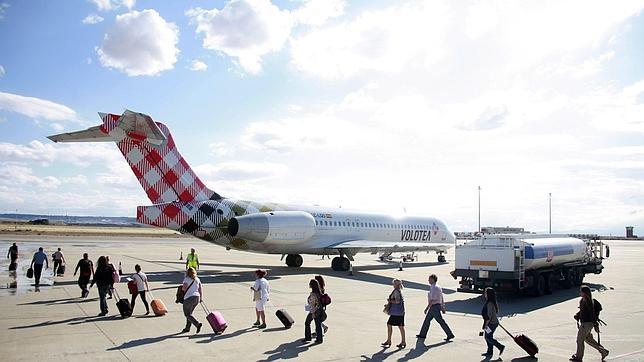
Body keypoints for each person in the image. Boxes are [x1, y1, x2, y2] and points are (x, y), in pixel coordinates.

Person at [570, 286, 609, 361]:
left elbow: (592, 314)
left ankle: (578, 357)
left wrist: (595, 325)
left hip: (586, 324)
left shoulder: (588, 301)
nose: (580, 293)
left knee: (579, 340)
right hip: (586, 324)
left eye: (581, 291)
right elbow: (583, 311)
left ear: (584, 293)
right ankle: (603, 351)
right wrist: (577, 315)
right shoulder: (583, 300)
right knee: (588, 340)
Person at [416, 274, 455, 341]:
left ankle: (450, 334)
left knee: (440, 321)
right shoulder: (438, 287)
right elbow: (441, 297)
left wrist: (426, 308)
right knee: (427, 321)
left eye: (429, 279)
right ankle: (422, 334)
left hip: (434, 307)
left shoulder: (433, 287)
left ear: (433, 279)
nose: (428, 280)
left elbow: (432, 299)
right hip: (436, 306)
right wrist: (442, 306)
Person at [382, 278, 406, 349]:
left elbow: (397, 301)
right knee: (401, 327)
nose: (393, 285)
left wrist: (390, 301)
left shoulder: (396, 291)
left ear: (396, 284)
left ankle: (389, 341)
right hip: (400, 312)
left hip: (396, 313)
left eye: (394, 283)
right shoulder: (399, 291)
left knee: (389, 324)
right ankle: (403, 341)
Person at [481, 287, 505, 357]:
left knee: (488, 337)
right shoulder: (492, 302)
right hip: (492, 323)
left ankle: (500, 346)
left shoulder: (489, 303)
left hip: (491, 323)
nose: (484, 294)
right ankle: (490, 351)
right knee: (488, 337)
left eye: (485, 292)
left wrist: (486, 325)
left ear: (488, 294)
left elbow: (489, 316)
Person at [181, 267, 203, 334]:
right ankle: (187, 328)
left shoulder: (186, 279)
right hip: (197, 297)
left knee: (187, 314)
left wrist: (182, 288)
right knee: (190, 314)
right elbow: (200, 289)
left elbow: (184, 289)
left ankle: (197, 324)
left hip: (189, 298)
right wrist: (201, 298)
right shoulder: (197, 279)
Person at [303, 279, 324, 344]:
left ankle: (308, 337)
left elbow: (313, 304)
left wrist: (312, 313)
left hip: (314, 311)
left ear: (312, 285)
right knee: (318, 325)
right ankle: (319, 339)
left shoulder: (313, 295)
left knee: (307, 323)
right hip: (319, 310)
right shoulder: (319, 292)